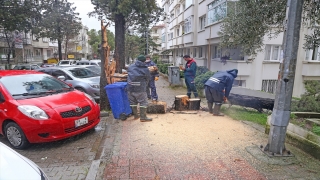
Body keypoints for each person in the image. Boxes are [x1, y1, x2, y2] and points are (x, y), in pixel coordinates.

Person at [126, 55, 152, 122]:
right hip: (140, 88)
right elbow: (147, 78)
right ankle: (143, 117)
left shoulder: (131, 67)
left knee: (133, 102)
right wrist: (144, 85)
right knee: (143, 102)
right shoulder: (145, 69)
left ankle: (135, 116)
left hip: (130, 88)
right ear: (144, 61)